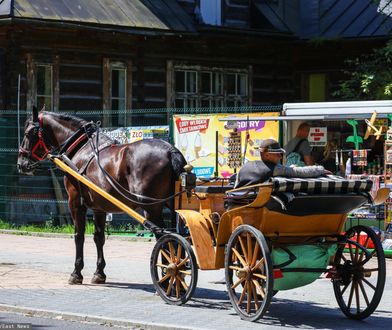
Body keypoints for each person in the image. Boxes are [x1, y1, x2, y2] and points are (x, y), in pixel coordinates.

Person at [235, 138, 330, 189]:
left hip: (237, 199)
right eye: (278, 154)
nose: (280, 157)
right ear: (267, 155)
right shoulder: (274, 169)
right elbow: (298, 172)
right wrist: (320, 169)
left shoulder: (247, 165)